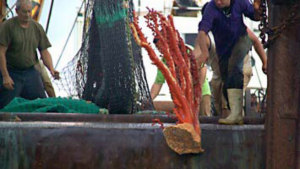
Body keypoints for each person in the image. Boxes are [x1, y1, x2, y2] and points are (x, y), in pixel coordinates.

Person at [193, 0, 261, 124]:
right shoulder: (211, 13)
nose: (218, 2)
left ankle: (234, 119)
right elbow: (201, 34)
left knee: (231, 80)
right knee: (222, 94)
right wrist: (203, 54)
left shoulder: (240, 7)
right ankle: (233, 117)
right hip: (221, 71)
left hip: (240, 60)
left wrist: (265, 61)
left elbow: (256, 39)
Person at [0, 0, 59, 109]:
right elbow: (1, 52)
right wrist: (5, 76)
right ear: (16, 11)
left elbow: (44, 51)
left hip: (30, 73)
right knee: (5, 106)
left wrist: (51, 69)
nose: (27, 15)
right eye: (24, 12)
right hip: (12, 72)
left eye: (29, 11)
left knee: (42, 104)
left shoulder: (37, 28)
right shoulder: (7, 26)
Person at [150, 45, 212, 116]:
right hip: (181, 97)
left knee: (204, 118)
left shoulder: (187, 51)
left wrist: (196, 91)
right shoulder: (164, 61)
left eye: (161, 48)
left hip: (201, 93)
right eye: (159, 49)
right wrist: (149, 100)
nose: (161, 51)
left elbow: (203, 69)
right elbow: (158, 84)